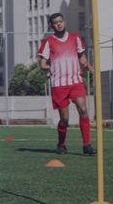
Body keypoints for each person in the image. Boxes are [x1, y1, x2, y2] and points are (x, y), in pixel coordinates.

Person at [38, 13, 96, 155]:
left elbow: (82, 58)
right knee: (64, 119)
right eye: (55, 22)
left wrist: (89, 67)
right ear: (52, 26)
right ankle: (61, 144)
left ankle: (87, 145)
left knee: (83, 110)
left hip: (75, 81)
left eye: (60, 21)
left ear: (64, 22)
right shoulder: (49, 42)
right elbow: (42, 64)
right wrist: (52, 67)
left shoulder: (75, 38)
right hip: (58, 84)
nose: (59, 24)